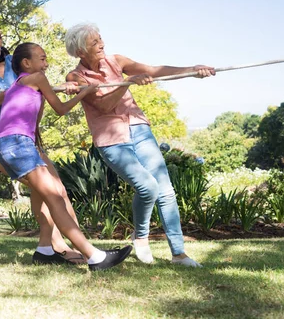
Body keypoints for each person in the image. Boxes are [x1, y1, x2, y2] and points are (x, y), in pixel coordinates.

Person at [65, 22, 215, 267]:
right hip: (111, 140)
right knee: (147, 187)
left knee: (165, 190)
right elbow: (103, 106)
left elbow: (153, 70)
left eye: (100, 38)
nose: (101, 44)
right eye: (94, 42)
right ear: (80, 51)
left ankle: (179, 254)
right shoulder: (76, 77)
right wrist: (127, 83)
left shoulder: (117, 61)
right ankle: (141, 236)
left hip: (139, 128)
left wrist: (192, 70)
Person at [0, 42, 133, 271]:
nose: (46, 63)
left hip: (10, 145)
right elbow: (60, 109)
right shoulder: (37, 77)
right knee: (55, 197)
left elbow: (35, 120)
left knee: (50, 193)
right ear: (26, 63)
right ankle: (95, 256)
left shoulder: (18, 85)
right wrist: (85, 91)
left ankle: (44, 250)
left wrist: (65, 87)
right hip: (18, 145)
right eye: (42, 58)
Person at [0, 17, 83, 265]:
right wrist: (17, 90)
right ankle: (60, 246)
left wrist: (63, 87)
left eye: (0, 38)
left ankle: (49, 248)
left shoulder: (10, 62)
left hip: (24, 135)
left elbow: (36, 88)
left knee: (52, 186)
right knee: (48, 188)